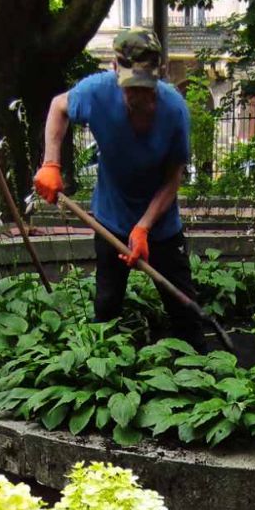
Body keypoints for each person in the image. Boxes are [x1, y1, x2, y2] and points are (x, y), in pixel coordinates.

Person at [33, 30, 206, 350]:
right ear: (115, 69)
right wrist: (51, 163)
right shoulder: (95, 93)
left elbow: (173, 180)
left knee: (184, 311)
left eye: (147, 89)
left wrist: (144, 227)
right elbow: (58, 107)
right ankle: (104, 376)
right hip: (110, 218)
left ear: (160, 75)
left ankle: (201, 375)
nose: (140, 98)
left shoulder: (174, 111)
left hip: (162, 224)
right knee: (108, 305)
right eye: (132, 89)